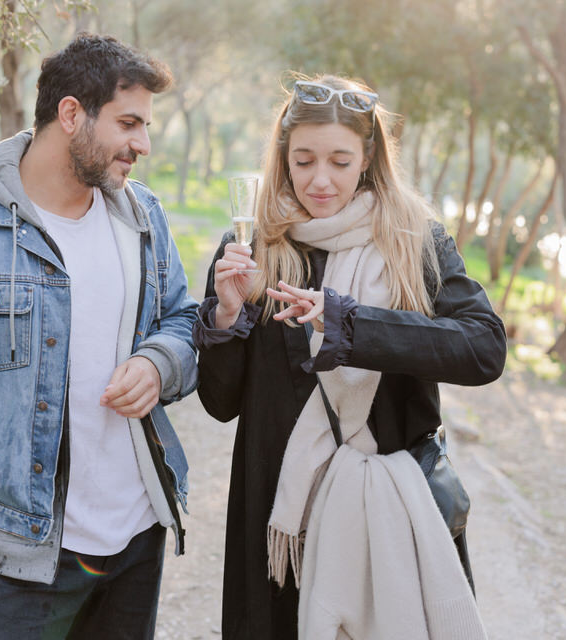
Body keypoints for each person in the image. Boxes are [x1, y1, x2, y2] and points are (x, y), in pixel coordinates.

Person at [0, 33, 199, 639]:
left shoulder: (143, 217)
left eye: (146, 127)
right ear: (72, 113)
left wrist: (159, 362)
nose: (143, 145)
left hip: (135, 536)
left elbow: (183, 319)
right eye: (129, 123)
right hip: (16, 554)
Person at [193, 75, 507, 639]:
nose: (320, 179)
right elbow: (219, 403)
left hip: (390, 515)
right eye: (304, 160)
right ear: (283, 159)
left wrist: (350, 324)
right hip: (280, 522)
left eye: (340, 161)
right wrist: (224, 317)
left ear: (367, 159)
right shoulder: (254, 245)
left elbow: (483, 348)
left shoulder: (415, 240)